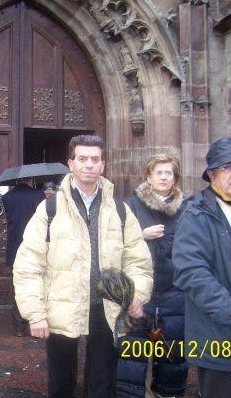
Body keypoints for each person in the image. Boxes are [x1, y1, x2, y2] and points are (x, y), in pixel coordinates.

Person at [13, 134, 153, 398]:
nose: (89, 164)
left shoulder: (120, 210)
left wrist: (136, 295)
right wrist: (36, 313)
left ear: (103, 165)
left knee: (103, 381)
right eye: (82, 158)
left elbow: (138, 259)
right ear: (71, 163)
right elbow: (29, 263)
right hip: (61, 304)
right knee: (61, 381)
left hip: (107, 306)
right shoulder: (50, 208)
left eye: (95, 159)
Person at [117, 154, 187, 398]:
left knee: (172, 359)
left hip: (174, 294)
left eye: (169, 173)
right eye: (159, 172)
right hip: (140, 294)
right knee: (133, 359)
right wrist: (141, 234)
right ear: (148, 176)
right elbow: (114, 245)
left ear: (175, 178)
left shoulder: (186, 208)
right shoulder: (131, 205)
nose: (164, 177)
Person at [172, 137, 231, 398]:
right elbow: (190, 272)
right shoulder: (196, 213)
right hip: (218, 336)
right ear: (211, 174)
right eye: (227, 167)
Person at [1, 177, 44, 337]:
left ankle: (18, 327)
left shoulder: (7, 197)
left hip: (14, 247)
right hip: (35, 245)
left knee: (17, 287)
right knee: (37, 285)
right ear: (31, 180)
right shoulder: (38, 196)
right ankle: (35, 323)